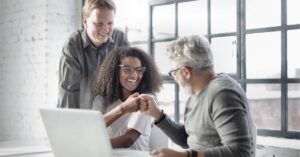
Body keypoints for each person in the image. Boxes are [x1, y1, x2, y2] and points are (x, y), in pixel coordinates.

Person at [139, 35, 255, 157]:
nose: (175, 78)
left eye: (173, 73)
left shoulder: (223, 94)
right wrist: (157, 114)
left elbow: (241, 152)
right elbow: (186, 139)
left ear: (185, 72)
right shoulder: (195, 94)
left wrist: (185, 156)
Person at [58, 0, 129, 109]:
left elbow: (130, 80)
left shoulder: (120, 40)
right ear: (85, 22)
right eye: (99, 23)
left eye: (110, 23)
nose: (105, 29)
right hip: (84, 117)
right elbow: (69, 94)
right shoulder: (72, 47)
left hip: (115, 115)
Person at [92, 47, 162, 151]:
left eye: (139, 70)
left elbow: (128, 140)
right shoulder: (101, 100)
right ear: (115, 71)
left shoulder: (146, 99)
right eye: (127, 69)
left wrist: (93, 144)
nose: (134, 75)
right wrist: (123, 108)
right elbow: (93, 128)